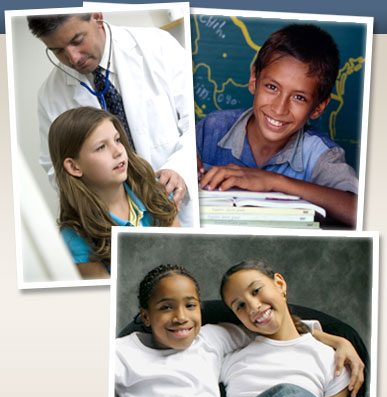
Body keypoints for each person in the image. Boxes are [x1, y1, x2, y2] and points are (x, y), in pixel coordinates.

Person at [114, 264, 365, 397]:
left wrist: (339, 340)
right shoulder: (122, 350)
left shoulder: (212, 340)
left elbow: (274, 328)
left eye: (190, 305)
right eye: (240, 307)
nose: (181, 317)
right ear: (145, 316)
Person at [27, 12, 196, 227]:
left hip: (181, 207)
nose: (73, 58)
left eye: (77, 41)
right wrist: (105, 205)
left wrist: (179, 169)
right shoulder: (51, 95)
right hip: (114, 221)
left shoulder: (158, 47)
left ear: (97, 18)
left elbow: (199, 122)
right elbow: (57, 168)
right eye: (58, 51)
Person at [196, 24, 358, 227]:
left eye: (299, 97)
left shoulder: (320, 154)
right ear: (254, 79)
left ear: (318, 107)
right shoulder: (211, 130)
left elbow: (359, 211)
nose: (280, 108)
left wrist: (274, 181)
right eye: (272, 87)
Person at [219, 260, 368, 397]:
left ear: (280, 284)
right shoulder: (230, 357)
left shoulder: (330, 359)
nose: (253, 306)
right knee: (289, 395)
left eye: (256, 291)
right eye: (240, 306)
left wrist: (339, 342)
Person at [48, 107, 179, 279]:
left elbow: (182, 260)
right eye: (101, 147)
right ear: (74, 167)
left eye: (117, 140)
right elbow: (111, 300)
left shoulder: (154, 191)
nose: (118, 151)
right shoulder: (75, 237)